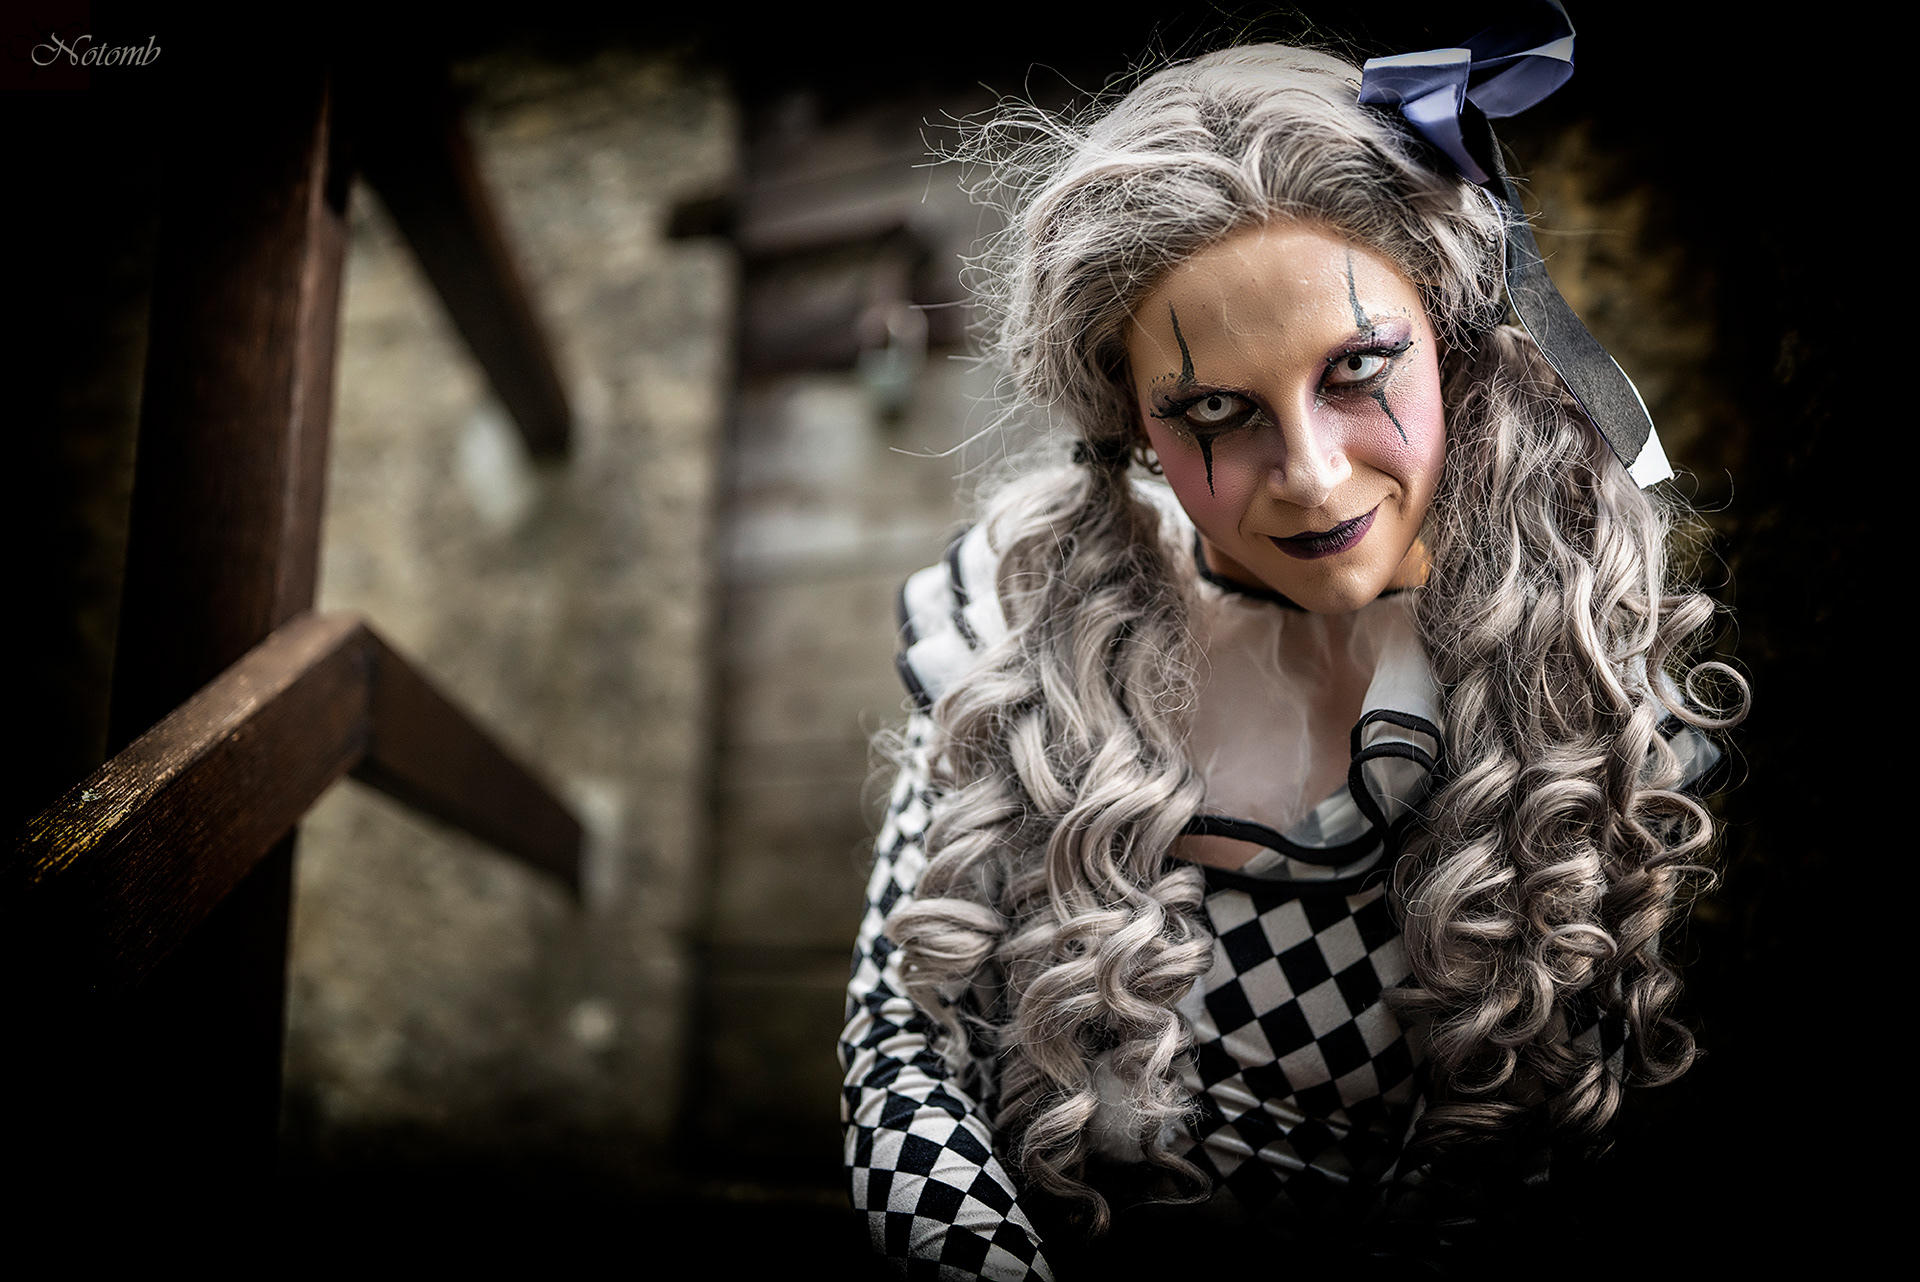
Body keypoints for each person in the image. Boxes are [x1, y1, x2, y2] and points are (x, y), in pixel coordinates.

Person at [840, 30, 1742, 1280]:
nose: (1311, 476)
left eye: (1359, 369)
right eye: (1215, 408)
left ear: (1454, 344)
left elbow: (1544, 1170)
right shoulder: (1020, 621)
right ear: (1133, 423)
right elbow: (904, 1044)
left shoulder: (1576, 670)